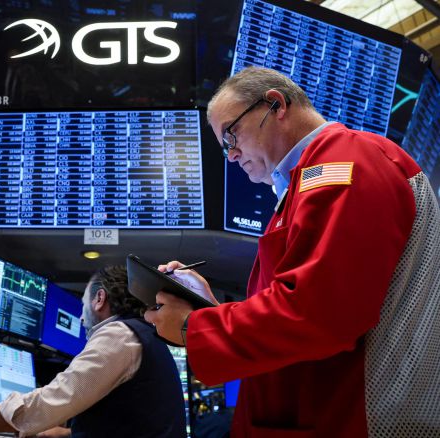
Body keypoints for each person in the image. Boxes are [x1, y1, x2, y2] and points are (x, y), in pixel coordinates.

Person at [145, 67, 440, 436]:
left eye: (231, 135)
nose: (231, 155)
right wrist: (210, 307)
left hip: (356, 419)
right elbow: (307, 305)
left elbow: (320, 314)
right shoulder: (314, 177)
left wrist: (196, 327)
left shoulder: (345, 163)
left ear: (276, 105)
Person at [0, 265, 187, 437]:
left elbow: (45, 405)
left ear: (100, 299)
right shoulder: (143, 335)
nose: (81, 318)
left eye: (83, 305)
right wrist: (66, 434)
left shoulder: (119, 336)